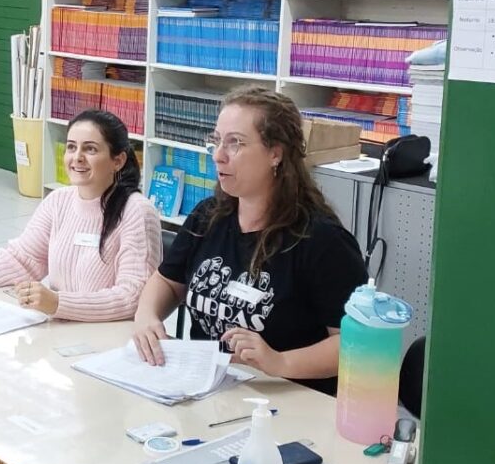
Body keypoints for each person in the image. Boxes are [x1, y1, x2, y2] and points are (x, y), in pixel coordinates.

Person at [131, 86, 366, 395]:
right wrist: (146, 316)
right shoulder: (208, 216)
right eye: (216, 141)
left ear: (275, 153)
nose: (218, 156)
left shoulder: (322, 241)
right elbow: (167, 281)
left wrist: (279, 361)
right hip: (209, 388)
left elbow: (355, 346)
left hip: (285, 400)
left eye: (235, 144)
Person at [0, 110, 161, 321]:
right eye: (71, 147)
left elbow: (133, 297)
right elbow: (22, 259)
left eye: (90, 149)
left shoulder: (136, 212)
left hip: (109, 339)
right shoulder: (58, 201)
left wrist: (58, 303)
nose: (77, 157)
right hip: (60, 329)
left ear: (117, 160)